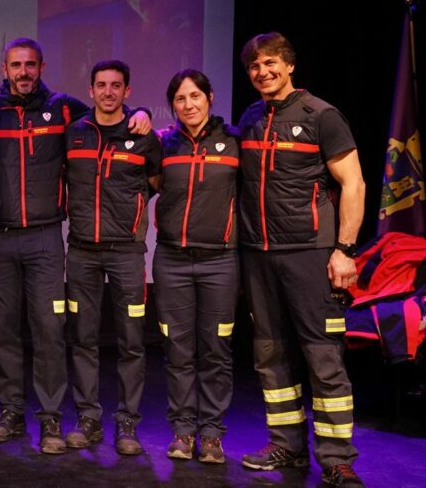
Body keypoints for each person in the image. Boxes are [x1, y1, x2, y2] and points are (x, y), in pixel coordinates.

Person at [0, 38, 150, 454]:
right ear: (4, 68)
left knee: (50, 331)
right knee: (4, 330)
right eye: (16, 65)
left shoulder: (67, 109)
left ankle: (50, 418)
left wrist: (139, 114)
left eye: (31, 64)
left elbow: (109, 120)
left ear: (42, 66)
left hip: (47, 238)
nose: (24, 72)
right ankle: (11, 412)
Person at [236, 32, 366, 488]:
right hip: (259, 256)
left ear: (289, 66)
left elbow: (354, 183)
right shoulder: (251, 117)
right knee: (271, 357)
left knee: (322, 357)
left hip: (311, 254)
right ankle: (286, 447)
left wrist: (344, 250)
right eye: (254, 66)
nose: (262, 72)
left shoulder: (321, 115)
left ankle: (336, 458)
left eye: (270, 62)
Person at [63, 60, 162, 456]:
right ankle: (88, 419)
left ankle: (127, 424)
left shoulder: (145, 137)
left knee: (132, 342)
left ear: (127, 90)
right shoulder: (74, 133)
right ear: (90, 91)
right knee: (83, 339)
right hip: (82, 252)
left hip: (126, 254)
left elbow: (157, 185)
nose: (108, 92)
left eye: (116, 85)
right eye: (101, 85)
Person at [152, 69, 240, 463]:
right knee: (179, 350)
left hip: (220, 261)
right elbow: (150, 184)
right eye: (180, 99)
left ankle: (212, 436)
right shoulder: (162, 144)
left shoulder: (235, 141)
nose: (188, 105)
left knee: (216, 350)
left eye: (195, 96)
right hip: (171, 260)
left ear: (210, 97)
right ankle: (184, 432)